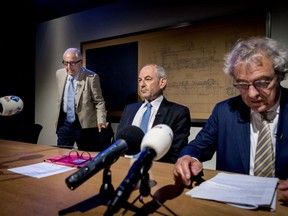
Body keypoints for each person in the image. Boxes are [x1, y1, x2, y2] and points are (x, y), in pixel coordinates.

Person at [173, 36, 288, 205]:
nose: (251, 94)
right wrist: (188, 158)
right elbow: (197, 147)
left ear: (278, 75)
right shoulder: (224, 111)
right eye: (242, 84)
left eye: (262, 82)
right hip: (232, 207)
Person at [116, 64, 191, 164]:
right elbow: (118, 142)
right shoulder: (129, 109)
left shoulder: (178, 112)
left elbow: (175, 153)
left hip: (156, 171)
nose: (142, 84)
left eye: (148, 79)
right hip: (123, 168)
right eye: (139, 80)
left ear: (162, 82)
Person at [55, 48, 107, 149]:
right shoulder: (59, 74)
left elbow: (99, 102)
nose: (68, 67)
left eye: (72, 63)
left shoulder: (91, 77)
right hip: (65, 123)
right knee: (61, 154)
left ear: (81, 62)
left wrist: (101, 120)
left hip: (83, 124)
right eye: (66, 63)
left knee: (85, 155)